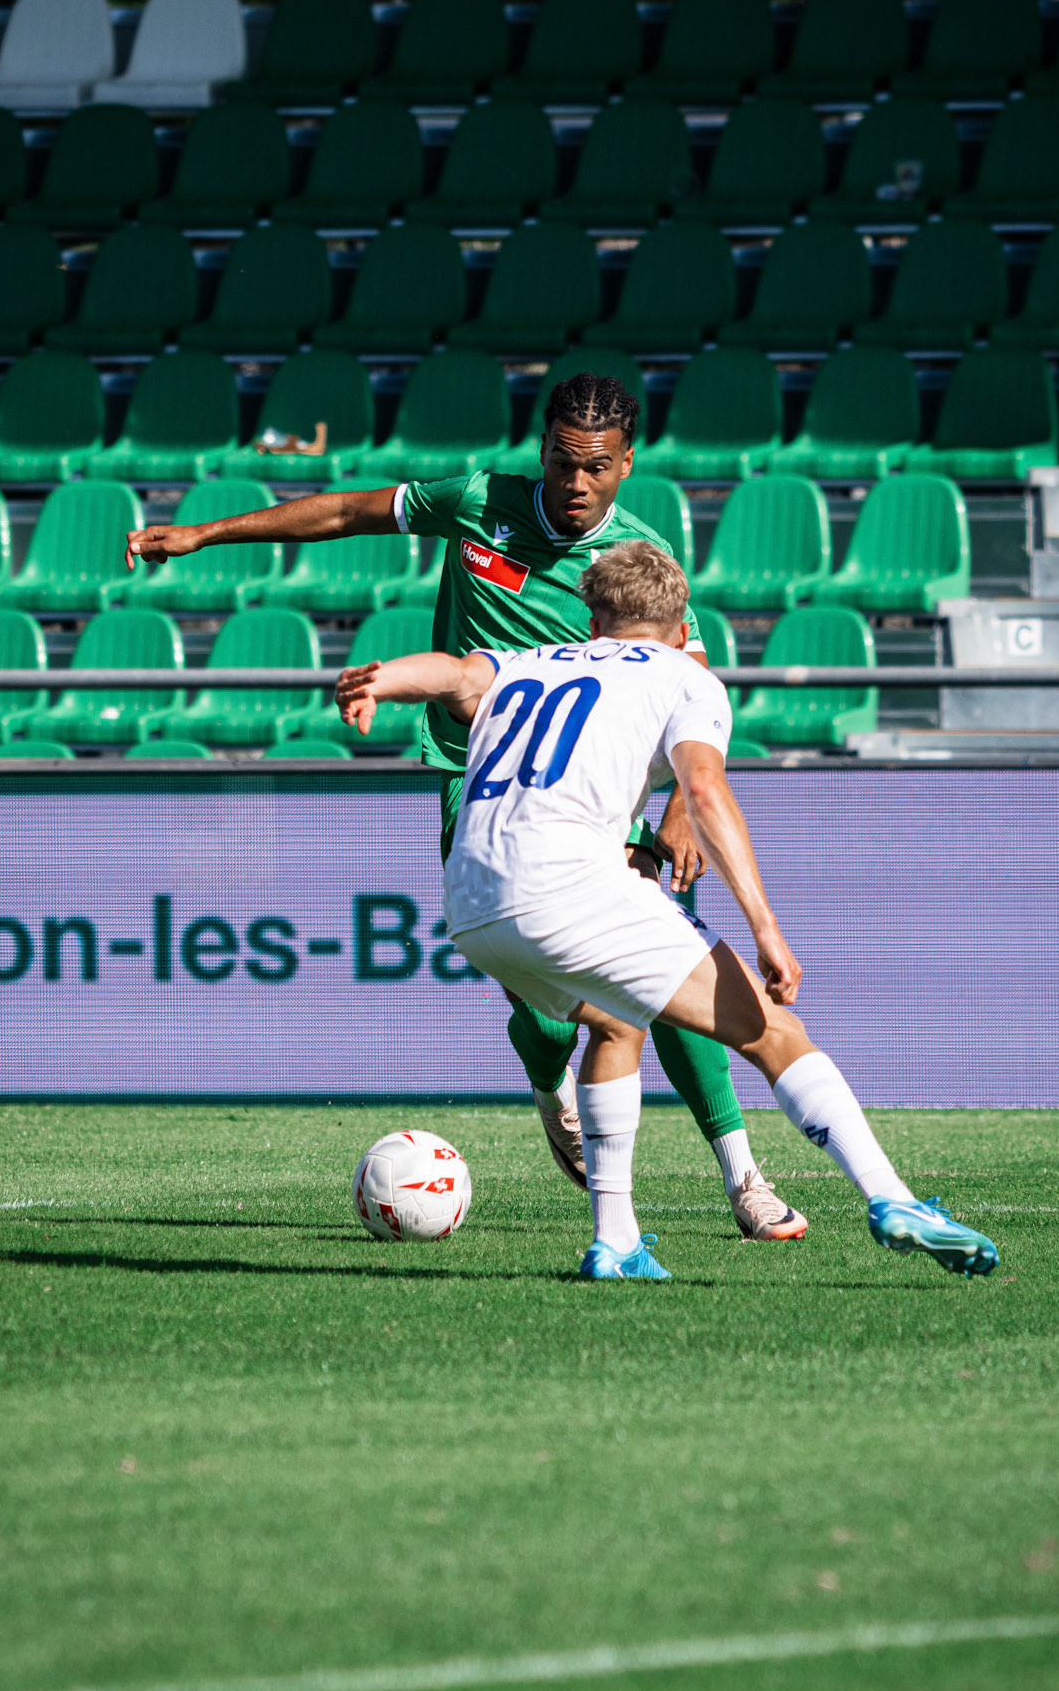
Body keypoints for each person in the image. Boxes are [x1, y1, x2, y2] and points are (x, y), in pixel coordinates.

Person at [126, 372, 804, 1244]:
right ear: (542, 451)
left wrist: (677, 816)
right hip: (477, 780)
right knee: (544, 1001)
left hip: (594, 797)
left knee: (667, 972)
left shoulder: (639, 561)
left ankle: (742, 1174)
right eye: (562, 461)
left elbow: (692, 691)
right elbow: (342, 514)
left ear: (626, 464)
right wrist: (202, 535)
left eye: (595, 467)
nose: (575, 482)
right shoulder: (478, 502)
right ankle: (545, 1078)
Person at [334, 538, 1000, 1283]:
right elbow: (706, 795)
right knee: (774, 1030)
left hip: (472, 901)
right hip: (568, 887)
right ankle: (893, 1199)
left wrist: (378, 681)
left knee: (618, 1021)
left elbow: (452, 674)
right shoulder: (685, 674)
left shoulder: (530, 661)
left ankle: (615, 1243)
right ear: (681, 627)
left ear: (591, 618)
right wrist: (765, 927)